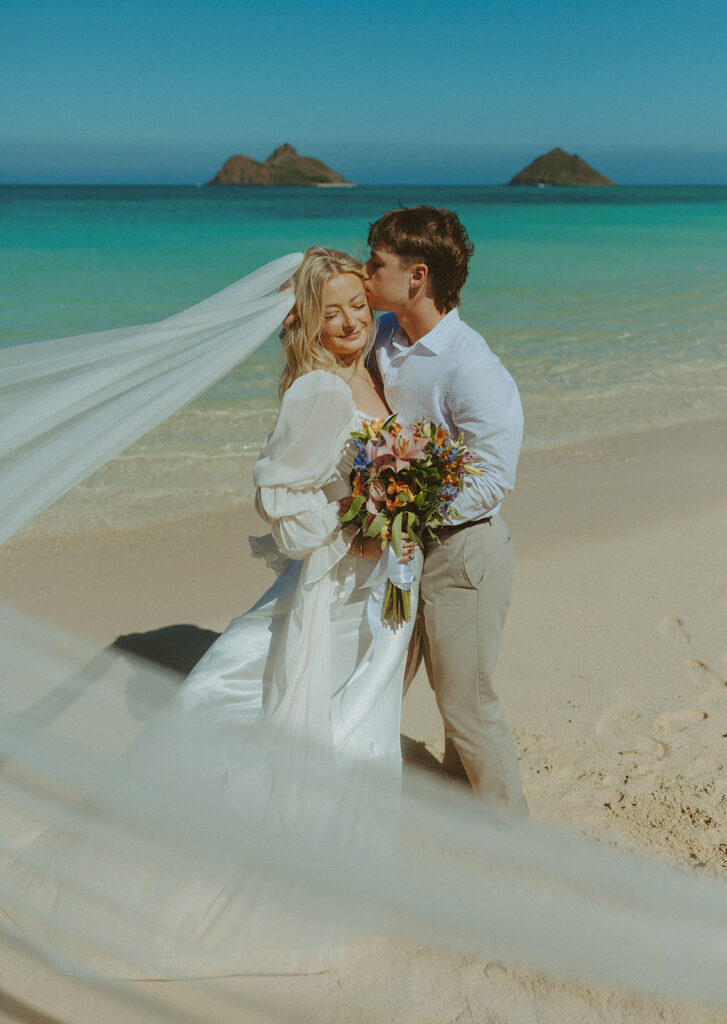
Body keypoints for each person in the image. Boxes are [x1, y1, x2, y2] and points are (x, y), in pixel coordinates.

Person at [179, 246, 420, 774]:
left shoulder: (375, 367)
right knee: (321, 711)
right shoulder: (322, 390)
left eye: (357, 304)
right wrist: (353, 524)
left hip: (389, 576)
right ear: (312, 321)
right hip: (345, 581)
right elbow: (278, 500)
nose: (350, 321)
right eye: (330, 313)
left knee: (363, 702)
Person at [363, 206, 528, 817]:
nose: (364, 271)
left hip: (465, 552)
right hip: (407, 550)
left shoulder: (471, 366)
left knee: (466, 703)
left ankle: (512, 843)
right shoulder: (385, 335)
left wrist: (408, 510)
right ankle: (468, 809)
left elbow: (493, 478)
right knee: (407, 681)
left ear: (417, 276)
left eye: (375, 262)